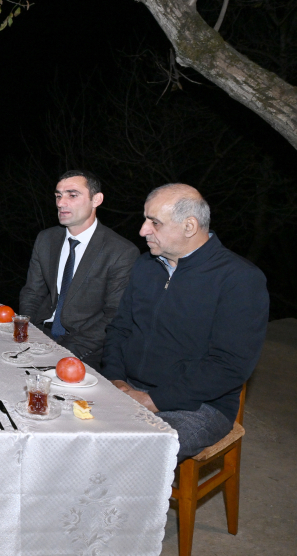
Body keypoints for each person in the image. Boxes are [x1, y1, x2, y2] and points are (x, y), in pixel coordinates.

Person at [102, 184, 268, 461]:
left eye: (154, 222)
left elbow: (229, 365)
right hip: (129, 387)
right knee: (62, 428)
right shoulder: (146, 265)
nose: (143, 230)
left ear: (189, 226)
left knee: (128, 457)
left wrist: (152, 400)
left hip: (199, 406)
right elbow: (120, 329)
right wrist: (116, 379)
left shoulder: (239, 279)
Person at [18, 170, 138, 368]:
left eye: (72, 195)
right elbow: (32, 292)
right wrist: (28, 331)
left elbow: (114, 315)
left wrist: (65, 354)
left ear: (96, 200)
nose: (61, 203)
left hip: (85, 349)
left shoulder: (121, 251)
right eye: (58, 195)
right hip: (40, 337)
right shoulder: (46, 239)